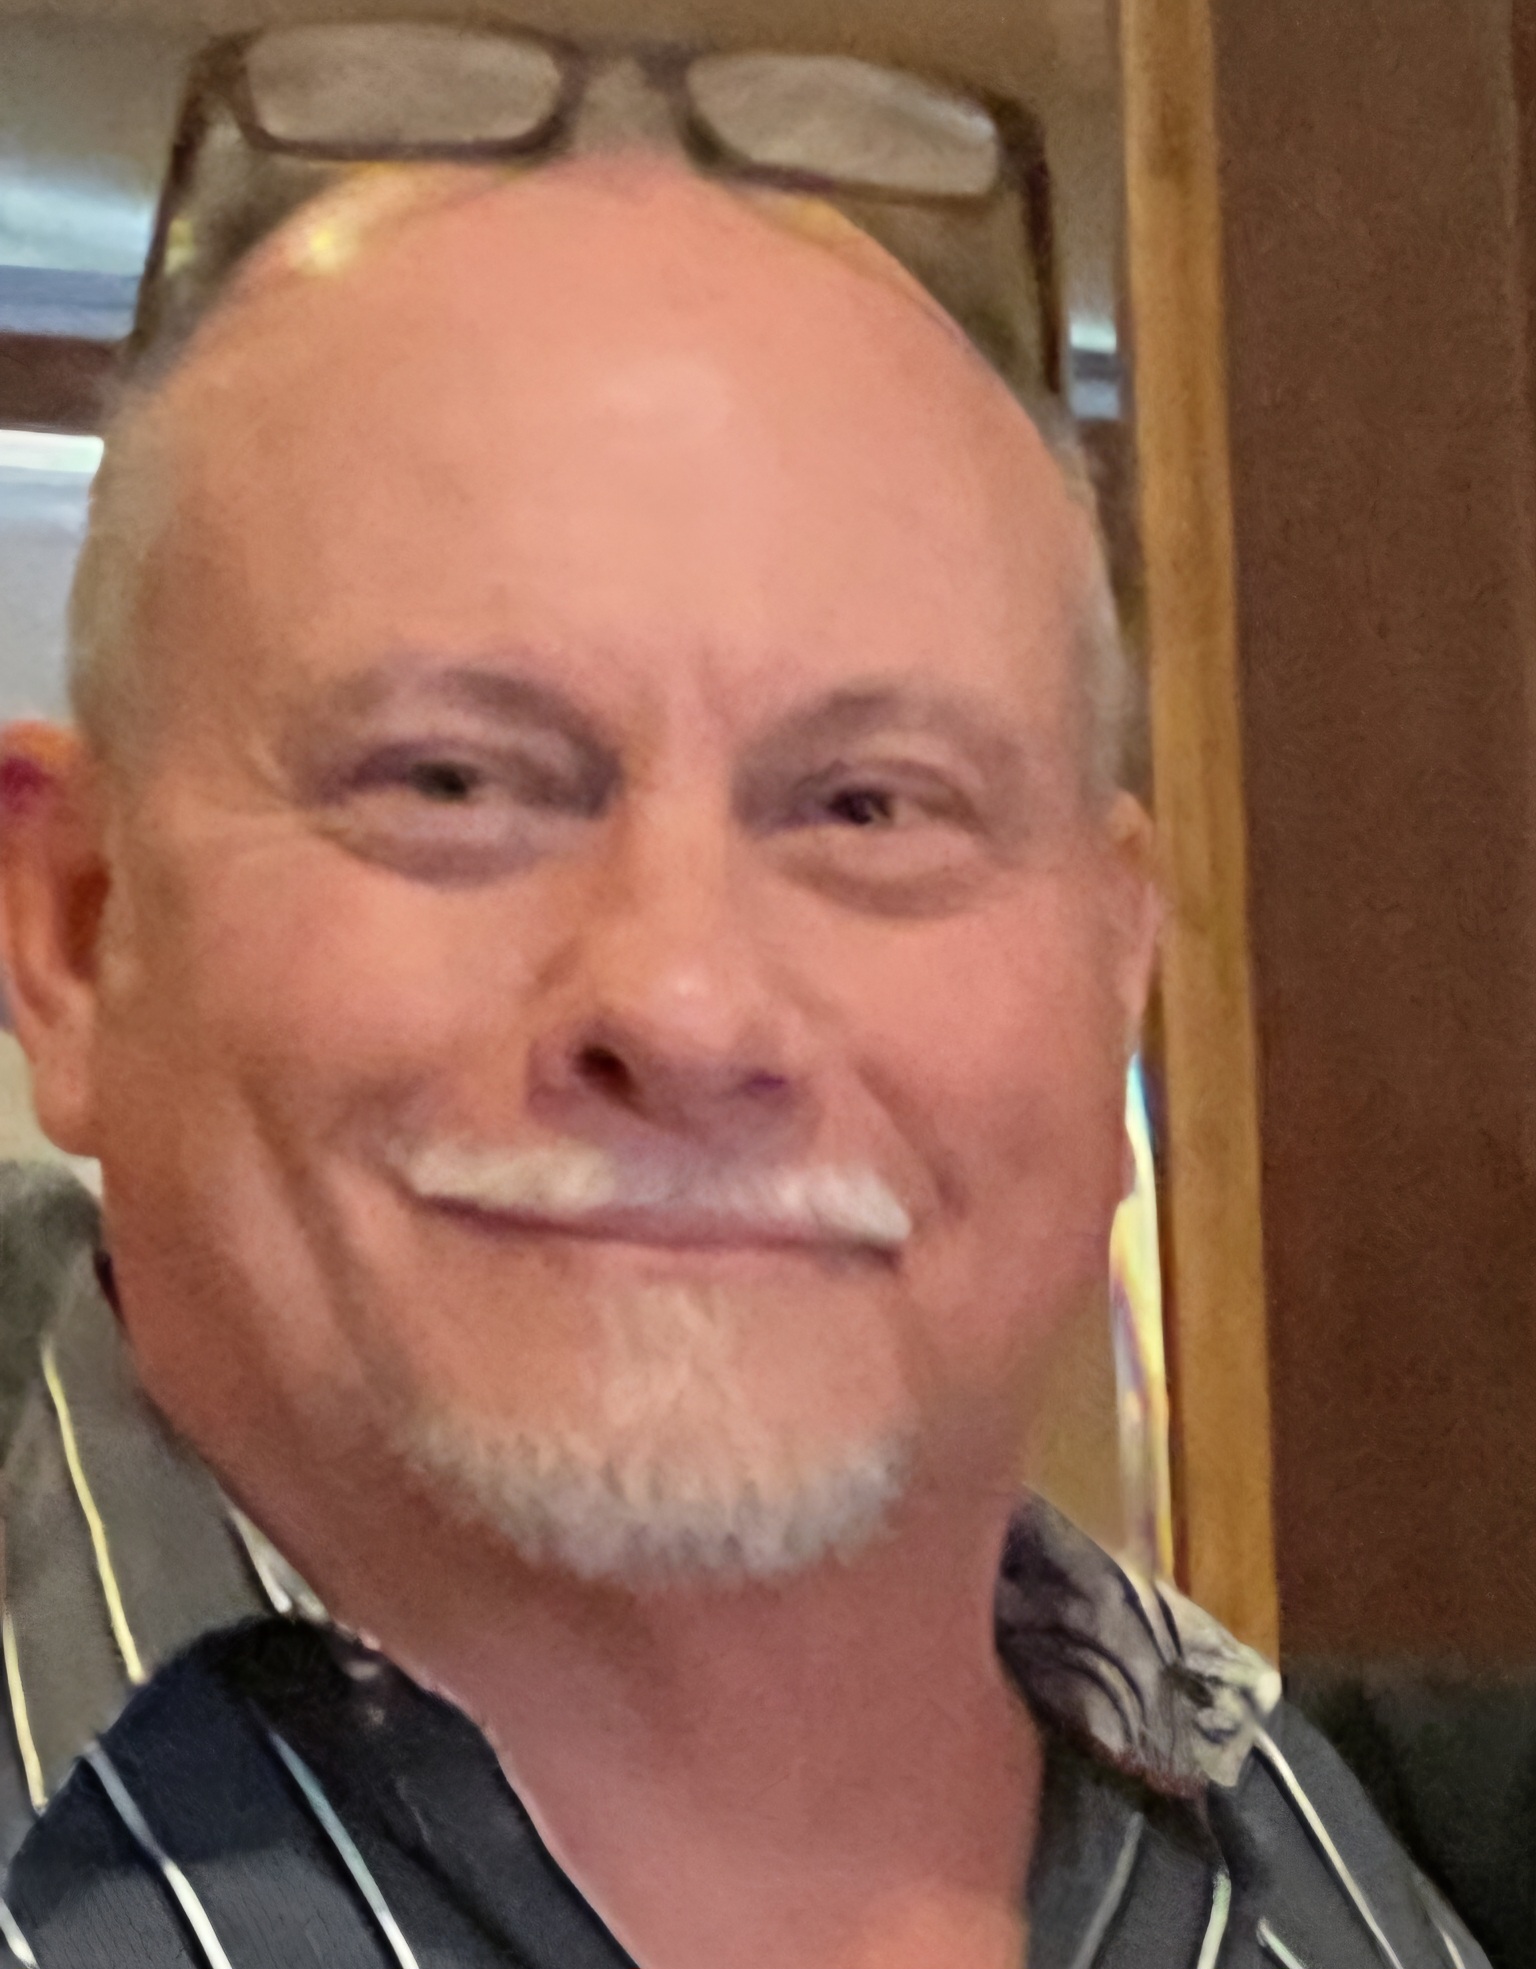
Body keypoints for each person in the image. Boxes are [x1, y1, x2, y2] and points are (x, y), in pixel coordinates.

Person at [0, 23, 1489, 1967]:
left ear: (1115, 968)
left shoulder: (1370, 1866)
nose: (687, 1007)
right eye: (454, 781)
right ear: (73, 929)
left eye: (870, 805)